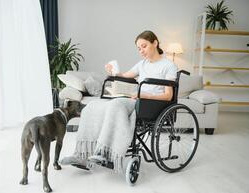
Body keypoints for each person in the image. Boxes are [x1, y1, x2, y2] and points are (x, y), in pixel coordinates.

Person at [60, 30, 177, 171]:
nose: (141, 51)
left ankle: (103, 152)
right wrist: (113, 72)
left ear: (155, 43)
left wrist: (145, 95)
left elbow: (168, 96)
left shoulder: (168, 65)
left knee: (115, 105)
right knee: (92, 106)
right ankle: (81, 154)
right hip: (136, 99)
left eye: (144, 46)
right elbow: (124, 75)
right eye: (139, 48)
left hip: (152, 104)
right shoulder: (142, 64)